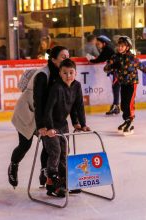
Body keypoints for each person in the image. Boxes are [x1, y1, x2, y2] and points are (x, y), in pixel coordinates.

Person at [8, 46, 81, 188]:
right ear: (53, 60)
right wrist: (42, 126)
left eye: (68, 56)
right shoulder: (43, 75)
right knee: (25, 145)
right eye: (63, 57)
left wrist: (76, 121)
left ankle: (45, 171)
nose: (67, 59)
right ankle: (13, 165)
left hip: (46, 114)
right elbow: (39, 102)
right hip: (29, 112)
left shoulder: (62, 74)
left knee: (50, 143)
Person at [43, 59, 90, 197]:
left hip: (63, 124)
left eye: (71, 72)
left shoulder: (77, 86)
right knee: (55, 151)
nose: (68, 75)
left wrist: (81, 123)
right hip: (50, 124)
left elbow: (78, 106)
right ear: (60, 73)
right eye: (65, 73)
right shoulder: (56, 88)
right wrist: (50, 128)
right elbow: (48, 110)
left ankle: (65, 181)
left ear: (75, 73)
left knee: (64, 151)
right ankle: (52, 182)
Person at [104, 36, 146, 135]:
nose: (120, 48)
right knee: (123, 105)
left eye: (123, 46)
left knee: (129, 103)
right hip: (123, 83)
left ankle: (130, 121)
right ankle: (126, 120)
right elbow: (105, 68)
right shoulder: (115, 57)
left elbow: (141, 66)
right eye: (119, 46)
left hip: (132, 83)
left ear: (127, 47)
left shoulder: (132, 57)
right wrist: (112, 66)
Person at [89, 35, 120, 115]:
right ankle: (116, 106)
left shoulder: (107, 49)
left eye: (98, 44)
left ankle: (116, 106)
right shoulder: (106, 49)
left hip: (116, 71)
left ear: (104, 43)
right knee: (115, 87)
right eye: (96, 44)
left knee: (116, 87)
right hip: (115, 70)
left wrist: (90, 60)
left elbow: (100, 59)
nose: (97, 45)